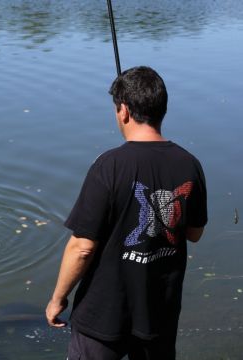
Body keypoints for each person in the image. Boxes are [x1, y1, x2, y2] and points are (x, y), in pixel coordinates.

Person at [45, 66, 207, 360]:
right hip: (159, 315)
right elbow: (194, 233)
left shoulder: (109, 166)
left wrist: (58, 299)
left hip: (102, 317)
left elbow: (82, 247)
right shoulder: (190, 164)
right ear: (162, 109)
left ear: (123, 112)